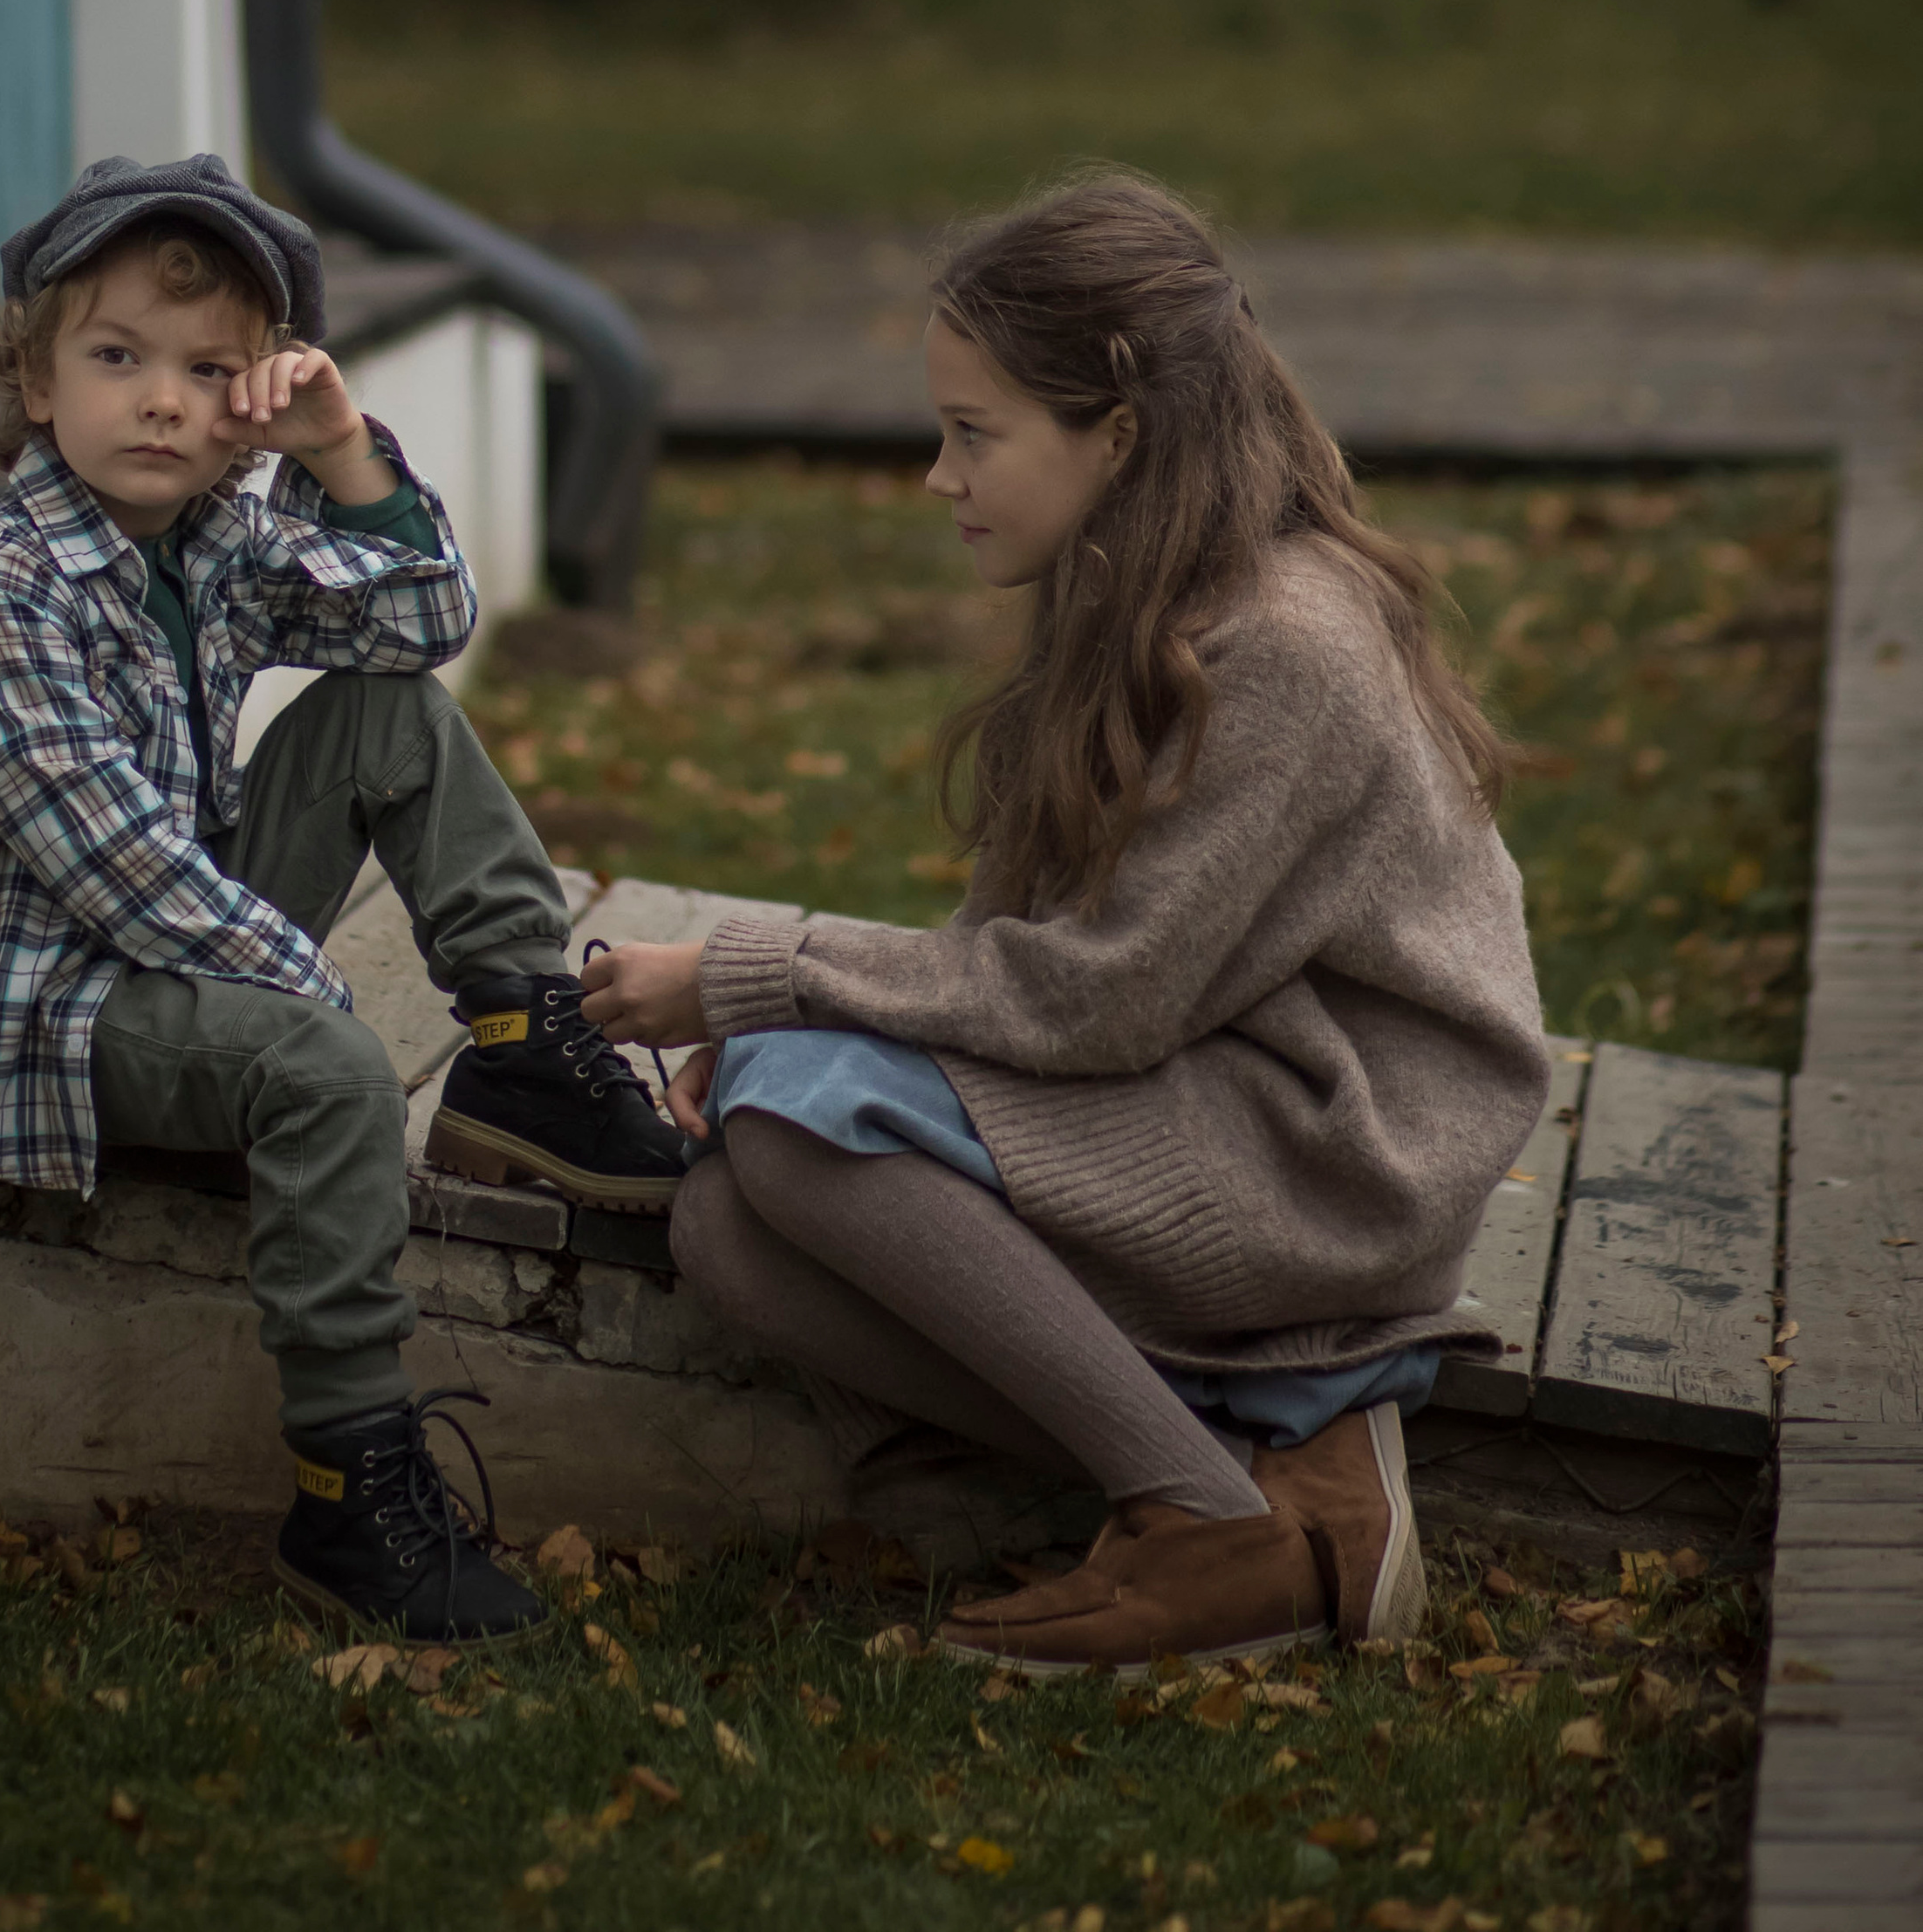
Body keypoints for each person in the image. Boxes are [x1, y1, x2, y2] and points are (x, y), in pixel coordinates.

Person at [581, 171, 1549, 1677]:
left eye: (976, 434)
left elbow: (1097, 999)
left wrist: (755, 983)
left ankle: (1207, 1525)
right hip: (1218, 1080)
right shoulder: (1138, 581)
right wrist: (815, 1018)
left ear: (1120, 433)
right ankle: (1266, 1459)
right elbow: (1023, 922)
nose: (937, 475)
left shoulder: (1284, 643)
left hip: (1337, 1147)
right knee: (725, 1226)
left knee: (790, 1121)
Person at [0, 152, 681, 1644]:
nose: (162, 400)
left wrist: (339, 445)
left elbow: (425, 619)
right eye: (116, 358)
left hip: (153, 937)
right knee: (322, 1065)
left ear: (249, 401)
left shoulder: (218, 536)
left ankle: (522, 1045)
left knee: (394, 716)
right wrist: (319, 1013)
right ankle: (347, 1486)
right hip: (37, 1011)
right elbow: (124, 875)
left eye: (207, 370)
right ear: (36, 380)